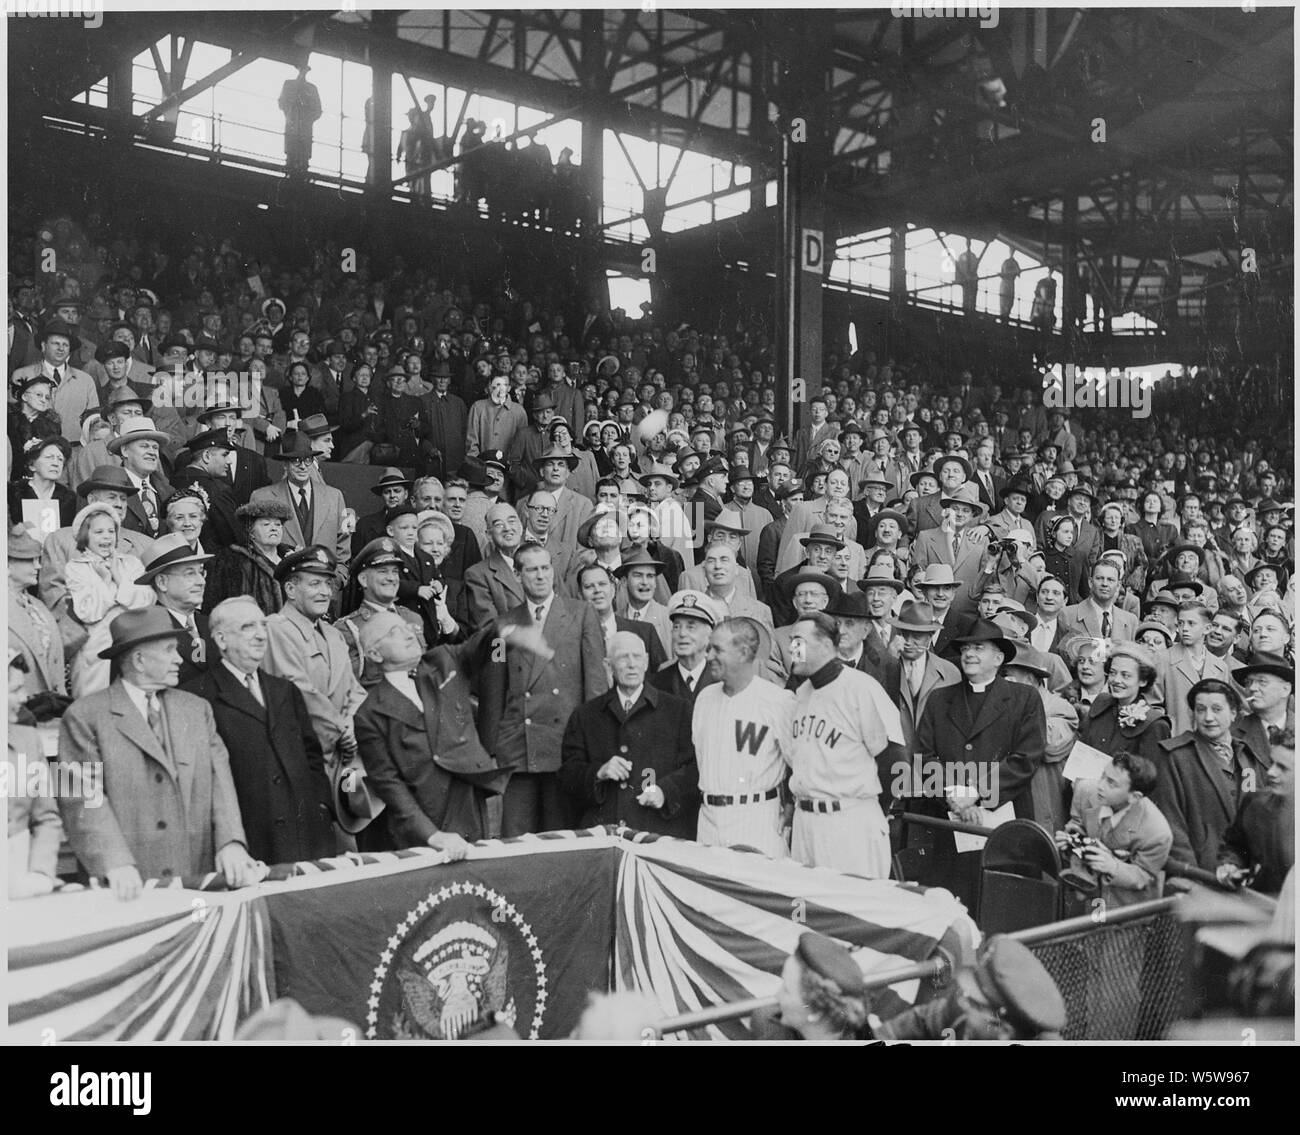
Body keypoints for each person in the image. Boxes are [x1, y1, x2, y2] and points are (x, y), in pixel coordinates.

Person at [57, 608, 260, 897]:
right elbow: (79, 798)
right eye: (169, 650)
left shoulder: (197, 709)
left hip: (194, 879)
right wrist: (113, 862)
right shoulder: (83, 716)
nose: (179, 659)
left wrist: (232, 843)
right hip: (124, 886)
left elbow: (221, 782)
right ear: (139, 660)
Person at [184, 597, 337, 865]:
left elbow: (312, 755)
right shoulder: (198, 695)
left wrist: (321, 805)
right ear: (221, 640)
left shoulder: (284, 689)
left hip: (306, 836)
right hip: (250, 842)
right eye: (247, 627)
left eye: (263, 625)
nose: (260, 635)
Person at [353, 610, 520, 852]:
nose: (408, 634)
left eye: (407, 627)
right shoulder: (369, 715)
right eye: (394, 632)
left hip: (469, 806)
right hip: (423, 828)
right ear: (375, 654)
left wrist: (508, 627)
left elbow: (486, 648)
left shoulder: (443, 661)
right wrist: (433, 836)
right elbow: (390, 787)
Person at [478, 542, 607, 835]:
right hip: (518, 749)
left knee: (560, 836)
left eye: (545, 568)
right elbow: (493, 691)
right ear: (518, 574)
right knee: (516, 838)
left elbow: (596, 685)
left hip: (565, 747)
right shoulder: (501, 625)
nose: (540, 576)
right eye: (532, 569)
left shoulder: (581, 614)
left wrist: (594, 745)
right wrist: (490, 750)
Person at [786, 612, 902, 878]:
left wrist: (873, 810)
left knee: (853, 902)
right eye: (792, 641)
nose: (792, 649)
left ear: (826, 645)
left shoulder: (861, 688)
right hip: (806, 822)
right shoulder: (801, 694)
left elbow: (895, 759)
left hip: (848, 820)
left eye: (799, 642)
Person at [558, 631, 699, 837]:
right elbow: (568, 774)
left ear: (646, 662)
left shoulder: (678, 711)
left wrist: (665, 791)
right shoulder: (586, 715)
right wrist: (598, 772)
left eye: (637, 657)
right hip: (605, 834)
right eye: (623, 657)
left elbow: (695, 768)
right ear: (608, 666)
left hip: (658, 833)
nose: (632, 664)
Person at [916, 618, 1049, 824]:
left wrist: (977, 792)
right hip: (949, 811)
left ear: (998, 658)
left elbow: (1027, 758)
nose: (969, 654)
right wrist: (955, 794)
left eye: (978, 648)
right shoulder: (939, 699)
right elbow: (924, 754)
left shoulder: (1025, 698)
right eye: (965, 648)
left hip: (1005, 812)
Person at [690, 616, 794, 857]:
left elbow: (799, 763)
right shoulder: (704, 698)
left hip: (756, 816)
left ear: (743, 652)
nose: (708, 656)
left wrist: (790, 806)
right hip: (708, 819)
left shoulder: (777, 700)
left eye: (717, 649)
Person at [263, 547, 367, 779]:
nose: (325, 592)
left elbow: (354, 691)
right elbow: (298, 692)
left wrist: (352, 727)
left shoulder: (333, 634)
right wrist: (341, 731)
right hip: (301, 760)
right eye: (314, 584)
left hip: (343, 758)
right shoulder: (275, 630)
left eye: (328, 584)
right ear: (290, 589)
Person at [1152, 678, 1272, 874]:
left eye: (1217, 709)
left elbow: (1258, 816)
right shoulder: (1176, 756)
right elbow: (1172, 824)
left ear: (1233, 713)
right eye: (1200, 710)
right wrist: (1192, 875)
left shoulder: (1247, 756)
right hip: (1201, 870)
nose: (1208, 717)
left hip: (1245, 871)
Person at [1056, 752, 1173, 907]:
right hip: (1087, 898)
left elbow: (1145, 875)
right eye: (1103, 775)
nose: (1100, 785)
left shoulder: (1157, 832)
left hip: (1125, 907)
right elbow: (1077, 824)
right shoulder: (1086, 790)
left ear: (1135, 797)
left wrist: (1112, 866)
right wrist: (1070, 840)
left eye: (1111, 783)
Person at [65, 502, 156, 697]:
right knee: (95, 705)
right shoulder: (76, 567)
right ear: (85, 535)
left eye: (111, 531)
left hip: (133, 646)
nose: (106, 536)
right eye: (99, 532)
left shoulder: (132, 563)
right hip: (95, 654)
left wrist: (118, 577)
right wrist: (105, 581)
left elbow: (146, 602)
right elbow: (87, 612)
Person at [249, 432, 351, 580]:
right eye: (296, 461)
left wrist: (337, 580)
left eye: (307, 460)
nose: (303, 466)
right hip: (281, 584)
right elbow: (254, 547)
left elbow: (344, 544)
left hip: (326, 584)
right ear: (285, 464)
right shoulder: (262, 497)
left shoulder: (335, 496)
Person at [7, 651, 64, 898]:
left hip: (23, 880)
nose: (24, 698)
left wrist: (41, 874)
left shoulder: (28, 740)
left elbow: (46, 817)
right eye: (15, 689)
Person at [1078, 642, 1173, 769]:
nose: (1116, 680)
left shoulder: (1154, 724)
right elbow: (1080, 754)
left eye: (1125, 675)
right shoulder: (1101, 703)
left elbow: (1150, 776)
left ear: (1143, 681)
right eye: (1112, 673)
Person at [136, 532, 213, 687]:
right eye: (190, 574)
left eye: (201, 572)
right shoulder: (147, 632)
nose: (201, 582)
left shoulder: (211, 624)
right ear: (162, 582)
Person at [1217, 743, 1294, 896]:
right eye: (1272, 763)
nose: (1271, 772)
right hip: (1262, 902)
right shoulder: (1255, 803)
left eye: (1282, 768)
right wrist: (1231, 864)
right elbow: (1236, 846)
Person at [1158, 601, 1235, 736]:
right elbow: (1154, 705)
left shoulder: (1220, 667)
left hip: (1208, 740)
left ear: (1207, 629)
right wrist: (1167, 730)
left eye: (1191, 623)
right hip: (1174, 740)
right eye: (1181, 623)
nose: (1184, 628)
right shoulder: (1163, 659)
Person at [204, 500, 293, 616]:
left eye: (278, 524)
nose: (274, 528)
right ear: (250, 532)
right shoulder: (235, 561)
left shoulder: (292, 559)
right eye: (266, 524)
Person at [8, 529, 66, 700]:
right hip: (18, 705)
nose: (38, 566)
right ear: (7, 565)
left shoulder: (38, 606)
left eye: (37, 559)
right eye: (30, 560)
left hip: (50, 705)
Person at [649, 590, 723, 702]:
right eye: (676, 627)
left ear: (709, 636)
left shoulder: (722, 680)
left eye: (691, 627)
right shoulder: (656, 683)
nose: (682, 633)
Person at [1061, 559, 1139, 643]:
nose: (1105, 584)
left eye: (1110, 580)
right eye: (1099, 578)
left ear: (1118, 586)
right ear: (1090, 582)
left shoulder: (1130, 621)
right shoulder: (1068, 615)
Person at [279, 62, 322, 179]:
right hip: (293, 124)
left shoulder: (311, 88)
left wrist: (307, 118)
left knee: (303, 155)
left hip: (303, 127)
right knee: (291, 153)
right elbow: (282, 103)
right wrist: (291, 113)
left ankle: (299, 173)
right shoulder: (289, 85)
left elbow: (318, 110)